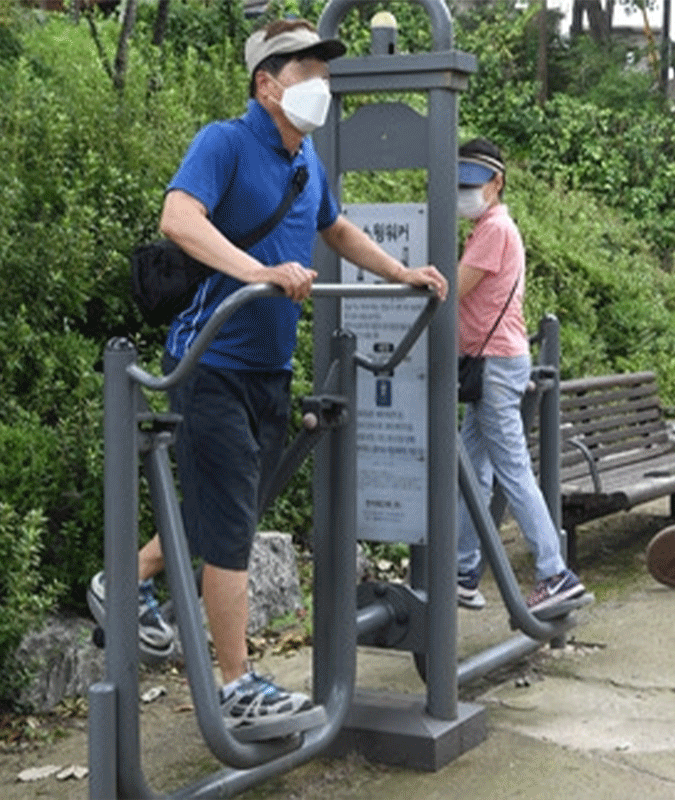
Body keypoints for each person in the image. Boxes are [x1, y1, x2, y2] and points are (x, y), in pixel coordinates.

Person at [87, 19, 447, 740]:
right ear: (267, 84)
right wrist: (257, 272)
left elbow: (336, 229)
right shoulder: (225, 141)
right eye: (307, 72)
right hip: (211, 362)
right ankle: (234, 688)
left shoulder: (306, 160)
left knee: (233, 514)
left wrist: (402, 272)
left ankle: (120, 581)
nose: (321, 85)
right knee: (229, 536)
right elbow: (178, 217)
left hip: (268, 371)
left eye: (323, 71)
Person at [453, 137, 586, 614]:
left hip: (493, 364)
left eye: (473, 185)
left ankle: (554, 571)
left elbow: (452, 290)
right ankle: (464, 571)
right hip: (494, 362)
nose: (464, 193)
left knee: (509, 470)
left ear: (497, 183)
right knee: (471, 472)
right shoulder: (490, 227)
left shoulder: (494, 229)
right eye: (459, 184)